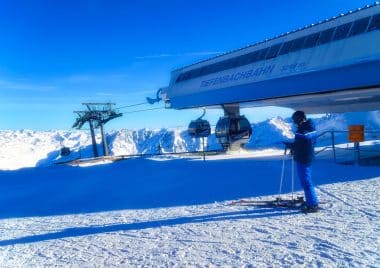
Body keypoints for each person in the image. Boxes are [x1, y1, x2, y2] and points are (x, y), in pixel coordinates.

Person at [291, 111, 319, 213]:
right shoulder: (307, 128)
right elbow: (303, 143)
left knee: (306, 181)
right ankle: (311, 201)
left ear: (300, 119)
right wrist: (293, 146)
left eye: (295, 121)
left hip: (304, 158)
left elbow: (304, 139)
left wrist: (293, 145)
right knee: (305, 181)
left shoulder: (305, 130)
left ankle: (313, 204)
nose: (295, 123)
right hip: (304, 156)